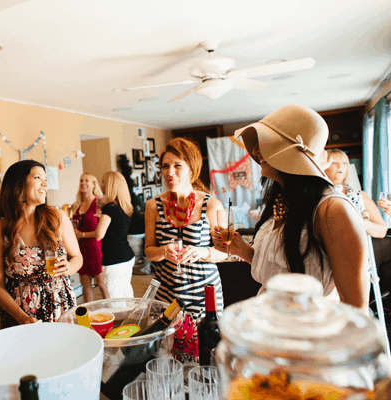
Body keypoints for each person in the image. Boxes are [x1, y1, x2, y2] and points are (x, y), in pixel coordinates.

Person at [212, 105, 370, 310]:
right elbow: (283, 273)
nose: (255, 150)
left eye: (267, 143)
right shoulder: (281, 200)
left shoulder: (333, 210)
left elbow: (356, 307)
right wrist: (244, 251)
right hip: (269, 326)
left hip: (309, 334)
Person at [0, 160, 83, 328]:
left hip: (61, 306)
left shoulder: (57, 218)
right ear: (19, 184)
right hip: (21, 314)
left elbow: (77, 258)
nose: (45, 184)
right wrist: (22, 317)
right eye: (38, 177)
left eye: (45, 179)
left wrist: (68, 268)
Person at [145, 137, 227, 318]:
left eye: (177, 165)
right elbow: (149, 251)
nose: (170, 172)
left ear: (192, 168)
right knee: (166, 344)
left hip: (205, 294)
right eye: (165, 166)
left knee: (205, 343)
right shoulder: (153, 206)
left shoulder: (212, 205)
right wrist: (163, 251)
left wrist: (203, 252)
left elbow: (225, 252)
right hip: (166, 293)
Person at [80, 171, 135, 298]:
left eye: (104, 182)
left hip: (114, 260)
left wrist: (81, 234)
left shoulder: (109, 208)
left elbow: (99, 235)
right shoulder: (125, 206)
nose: (102, 185)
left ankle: (119, 318)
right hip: (127, 256)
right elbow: (116, 227)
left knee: (114, 299)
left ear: (110, 186)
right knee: (126, 292)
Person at [324, 149, 387, 238]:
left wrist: (364, 223)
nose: (340, 166)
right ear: (324, 167)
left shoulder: (359, 195)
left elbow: (382, 230)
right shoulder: (318, 195)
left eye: (344, 163)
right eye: (334, 162)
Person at [72, 173, 109, 303]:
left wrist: (81, 234)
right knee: (85, 283)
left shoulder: (100, 203)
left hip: (96, 246)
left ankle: (114, 311)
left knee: (100, 282)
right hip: (80, 248)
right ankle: (89, 317)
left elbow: (102, 230)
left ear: (94, 185)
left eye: (87, 180)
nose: (83, 183)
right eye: (81, 180)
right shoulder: (76, 205)